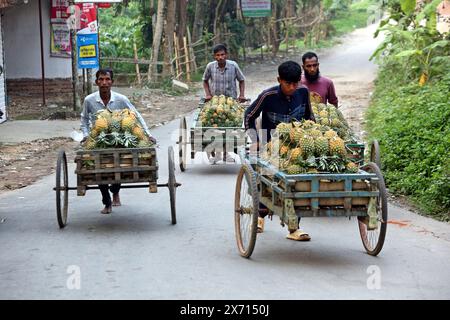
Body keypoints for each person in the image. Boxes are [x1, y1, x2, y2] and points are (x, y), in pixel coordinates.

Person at [244, 60, 315, 241]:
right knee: (266, 179)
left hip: (297, 148)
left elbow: (309, 117)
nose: (292, 87)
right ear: (279, 80)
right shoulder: (268, 96)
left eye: (295, 83)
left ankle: (294, 228)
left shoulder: (303, 92)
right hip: (271, 147)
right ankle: (259, 216)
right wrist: (256, 141)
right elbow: (249, 116)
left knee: (297, 182)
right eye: (287, 84)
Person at [80, 68, 156, 215]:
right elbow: (84, 119)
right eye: (101, 79)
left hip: (120, 136)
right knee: (98, 167)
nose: (104, 83)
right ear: (96, 82)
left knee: (120, 162)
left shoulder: (121, 99)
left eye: (107, 79)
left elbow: (137, 115)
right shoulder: (89, 100)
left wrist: (148, 134)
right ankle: (107, 201)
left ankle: (115, 190)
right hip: (98, 137)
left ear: (112, 82)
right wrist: (86, 134)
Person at [202, 43, 247, 164]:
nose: (220, 57)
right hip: (215, 102)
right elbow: (205, 81)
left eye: (222, 54)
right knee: (214, 127)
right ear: (214, 57)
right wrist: (207, 94)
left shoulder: (233, 66)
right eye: (218, 55)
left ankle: (226, 154)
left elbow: (241, 80)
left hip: (230, 102)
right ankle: (216, 153)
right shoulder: (210, 67)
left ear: (226, 55)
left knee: (229, 127)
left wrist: (241, 95)